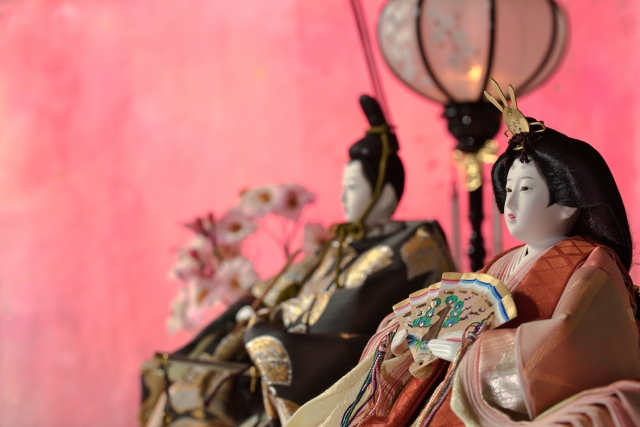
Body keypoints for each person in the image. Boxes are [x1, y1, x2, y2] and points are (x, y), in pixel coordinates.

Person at [284, 81, 640, 427]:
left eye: (526, 189)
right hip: (452, 391)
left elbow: (572, 349)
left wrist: (474, 354)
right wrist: (403, 338)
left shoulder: (593, 267)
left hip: (511, 403)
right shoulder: (501, 264)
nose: (511, 203)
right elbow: (445, 314)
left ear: (567, 202)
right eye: (509, 189)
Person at [140, 95, 455, 427]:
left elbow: (352, 308)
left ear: (385, 194)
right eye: (343, 187)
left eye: (351, 187)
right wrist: (253, 305)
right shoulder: (342, 242)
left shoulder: (413, 245)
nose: (342, 198)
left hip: (356, 362)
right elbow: (297, 278)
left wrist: (269, 320)